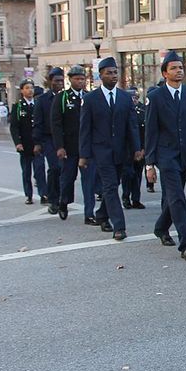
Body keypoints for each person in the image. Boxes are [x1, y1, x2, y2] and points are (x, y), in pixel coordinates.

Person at [145, 51, 186, 260]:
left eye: (180, 67)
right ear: (165, 73)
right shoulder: (155, 97)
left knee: (175, 196)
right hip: (165, 155)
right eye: (173, 68)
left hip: (185, 155)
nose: (178, 71)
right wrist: (150, 164)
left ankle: (161, 227)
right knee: (178, 198)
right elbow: (151, 131)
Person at [79, 57, 141, 241]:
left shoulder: (124, 98)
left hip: (122, 151)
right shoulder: (90, 99)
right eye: (109, 73)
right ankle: (119, 227)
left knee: (114, 185)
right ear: (101, 75)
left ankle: (102, 215)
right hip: (101, 152)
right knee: (111, 186)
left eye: (115, 72)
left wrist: (137, 148)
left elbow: (132, 125)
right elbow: (85, 129)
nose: (113, 76)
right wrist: (84, 155)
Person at [51, 65, 98, 224]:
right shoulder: (62, 97)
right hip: (69, 147)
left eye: (82, 78)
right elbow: (56, 124)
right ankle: (63, 202)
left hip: (86, 147)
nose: (80, 81)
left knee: (89, 181)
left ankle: (89, 213)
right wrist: (59, 146)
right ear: (70, 80)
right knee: (68, 178)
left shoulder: (89, 97)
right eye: (77, 79)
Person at [32, 67, 65, 215]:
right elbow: (38, 123)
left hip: (66, 138)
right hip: (49, 139)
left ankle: (64, 197)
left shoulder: (67, 98)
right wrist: (37, 143)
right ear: (50, 82)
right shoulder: (42, 100)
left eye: (61, 81)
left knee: (66, 170)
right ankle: (53, 199)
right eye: (56, 81)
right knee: (55, 168)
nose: (59, 83)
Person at [9, 80, 47, 205]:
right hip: (25, 144)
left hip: (38, 144)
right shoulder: (18, 106)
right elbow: (14, 127)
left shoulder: (38, 104)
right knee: (26, 171)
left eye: (31, 88)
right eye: (27, 88)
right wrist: (18, 143)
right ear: (22, 91)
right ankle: (28, 195)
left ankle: (43, 194)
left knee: (40, 169)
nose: (30, 90)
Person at [121, 87, 147, 210]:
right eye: (132, 98)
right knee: (127, 174)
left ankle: (136, 199)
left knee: (137, 174)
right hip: (126, 148)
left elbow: (146, 131)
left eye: (136, 98)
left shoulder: (143, 110)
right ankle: (126, 196)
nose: (134, 100)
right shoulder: (123, 110)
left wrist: (143, 149)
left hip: (140, 148)